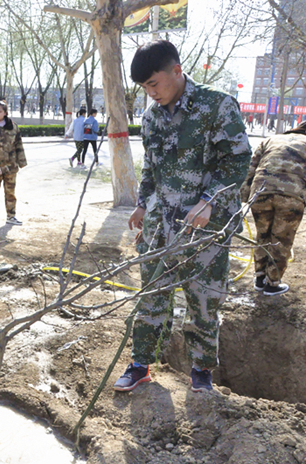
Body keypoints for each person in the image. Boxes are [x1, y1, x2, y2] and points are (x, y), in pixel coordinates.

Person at [113, 40, 251, 393]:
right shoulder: (152, 117)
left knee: (203, 301)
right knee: (151, 296)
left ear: (176, 71)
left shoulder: (216, 105)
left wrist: (208, 200)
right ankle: (141, 363)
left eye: (153, 84)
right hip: (161, 226)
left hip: (206, 228)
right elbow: (152, 169)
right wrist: (143, 204)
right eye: (144, 88)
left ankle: (201, 371)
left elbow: (237, 160)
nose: (150, 93)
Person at [240, 120, 306, 296]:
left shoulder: (270, 139)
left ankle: (260, 278)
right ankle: (273, 284)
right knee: (281, 240)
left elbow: (251, 168)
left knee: (263, 234)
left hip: (260, 192)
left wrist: (244, 196)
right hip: (290, 196)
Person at [0, 100, 27, 226]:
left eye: (0, 111)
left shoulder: (13, 126)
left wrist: (21, 162)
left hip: (11, 167)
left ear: (5, 113)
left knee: (10, 193)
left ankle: (11, 216)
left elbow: (18, 144)